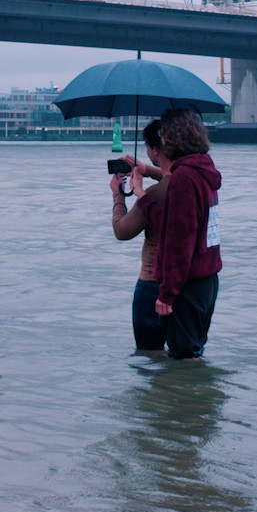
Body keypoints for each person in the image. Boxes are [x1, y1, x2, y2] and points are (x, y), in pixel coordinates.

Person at [140, 108, 223, 359]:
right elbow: (176, 225)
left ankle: (184, 399)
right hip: (206, 281)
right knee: (193, 352)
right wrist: (144, 192)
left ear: (172, 138)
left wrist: (167, 293)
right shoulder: (203, 171)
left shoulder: (184, 178)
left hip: (186, 285)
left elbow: (179, 241)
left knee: (183, 360)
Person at [110, 118, 171, 352]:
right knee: (182, 352)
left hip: (153, 284)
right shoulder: (190, 183)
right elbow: (170, 178)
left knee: (149, 356)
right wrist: (147, 170)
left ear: (154, 149)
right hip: (187, 283)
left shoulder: (154, 195)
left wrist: (119, 195)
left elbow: (121, 231)